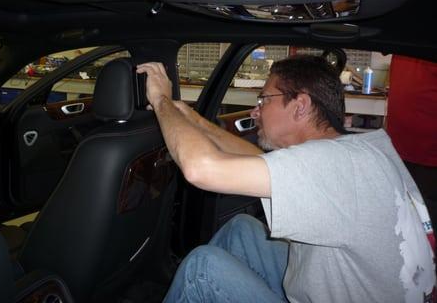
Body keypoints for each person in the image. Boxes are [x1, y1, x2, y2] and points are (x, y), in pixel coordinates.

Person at [136, 55, 436, 303]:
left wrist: (160, 100)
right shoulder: (356, 151)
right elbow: (256, 160)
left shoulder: (330, 165)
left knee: (201, 268)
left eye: (264, 99)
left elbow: (200, 169)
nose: (256, 111)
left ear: (301, 105)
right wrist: (189, 117)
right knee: (242, 230)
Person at [387, 55, 437, 227]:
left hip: (430, 156)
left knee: (428, 218)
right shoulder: (405, 33)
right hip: (398, 148)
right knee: (401, 212)